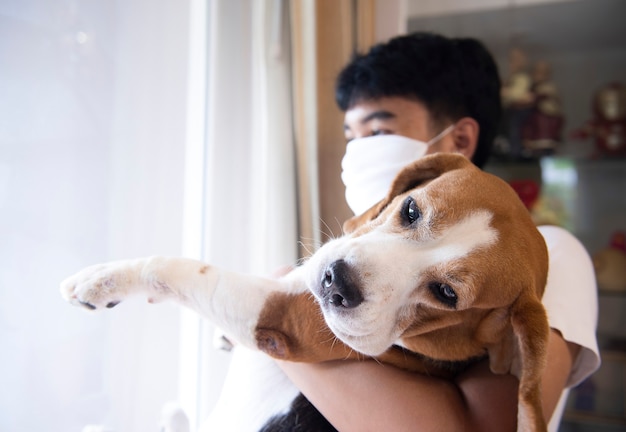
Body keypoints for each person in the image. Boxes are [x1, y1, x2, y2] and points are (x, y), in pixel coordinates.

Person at [277, 32, 600, 431]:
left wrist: (275, 318)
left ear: (459, 139)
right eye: (350, 136)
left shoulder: (547, 254)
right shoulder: (355, 250)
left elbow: (478, 428)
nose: (356, 153)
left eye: (377, 133)